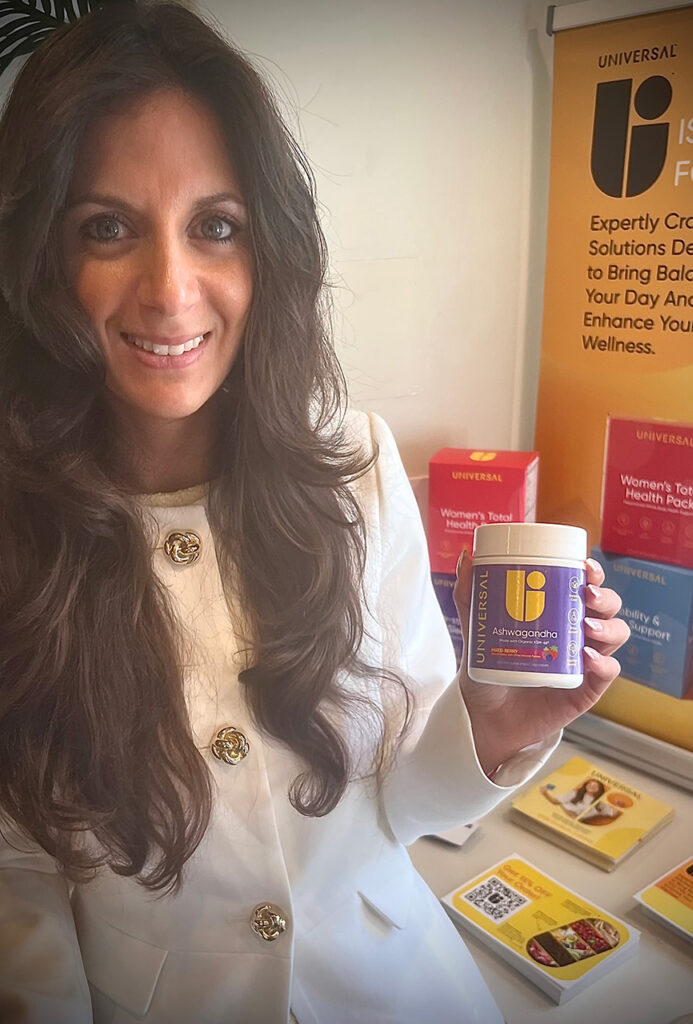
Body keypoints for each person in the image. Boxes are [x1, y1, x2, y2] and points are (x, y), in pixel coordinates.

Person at [0, 4, 630, 1022]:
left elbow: (402, 800)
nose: (171, 289)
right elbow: (16, 879)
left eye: (216, 225)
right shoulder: (15, 528)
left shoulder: (358, 471)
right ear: (39, 259)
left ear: (267, 250)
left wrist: (490, 727)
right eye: (106, 227)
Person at [540, 777, 607, 817]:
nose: (591, 786)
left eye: (595, 786)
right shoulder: (575, 793)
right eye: (589, 784)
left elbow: (576, 817)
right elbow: (555, 802)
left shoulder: (599, 803)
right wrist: (544, 793)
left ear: (600, 790)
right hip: (556, 814)